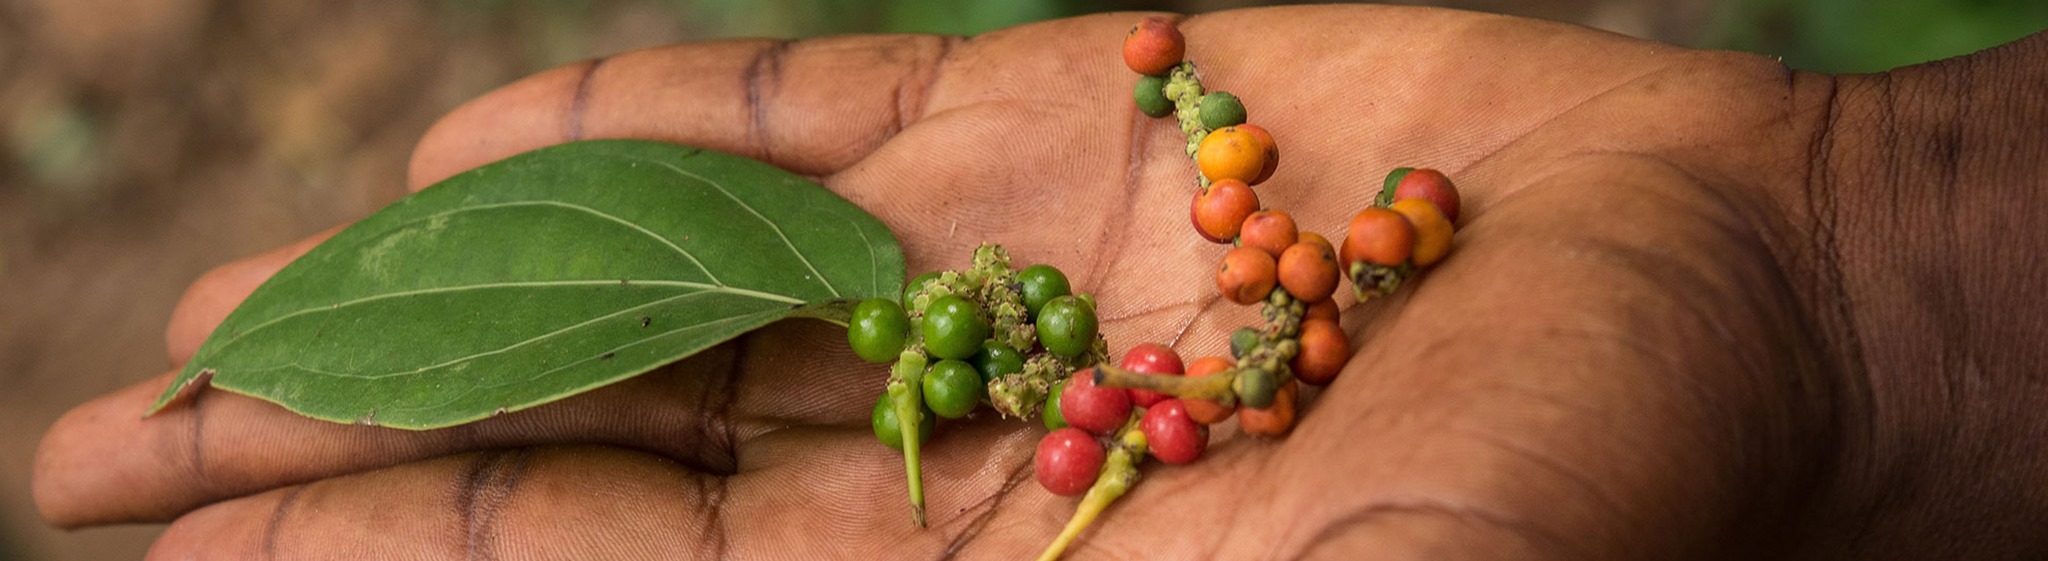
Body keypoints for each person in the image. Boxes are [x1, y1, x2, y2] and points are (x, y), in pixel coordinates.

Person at [30, 6, 2048, 559]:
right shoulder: (1085, 322)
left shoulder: (1248, 311)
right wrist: (1838, 262)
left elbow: (1237, 321)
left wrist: (1835, 281)